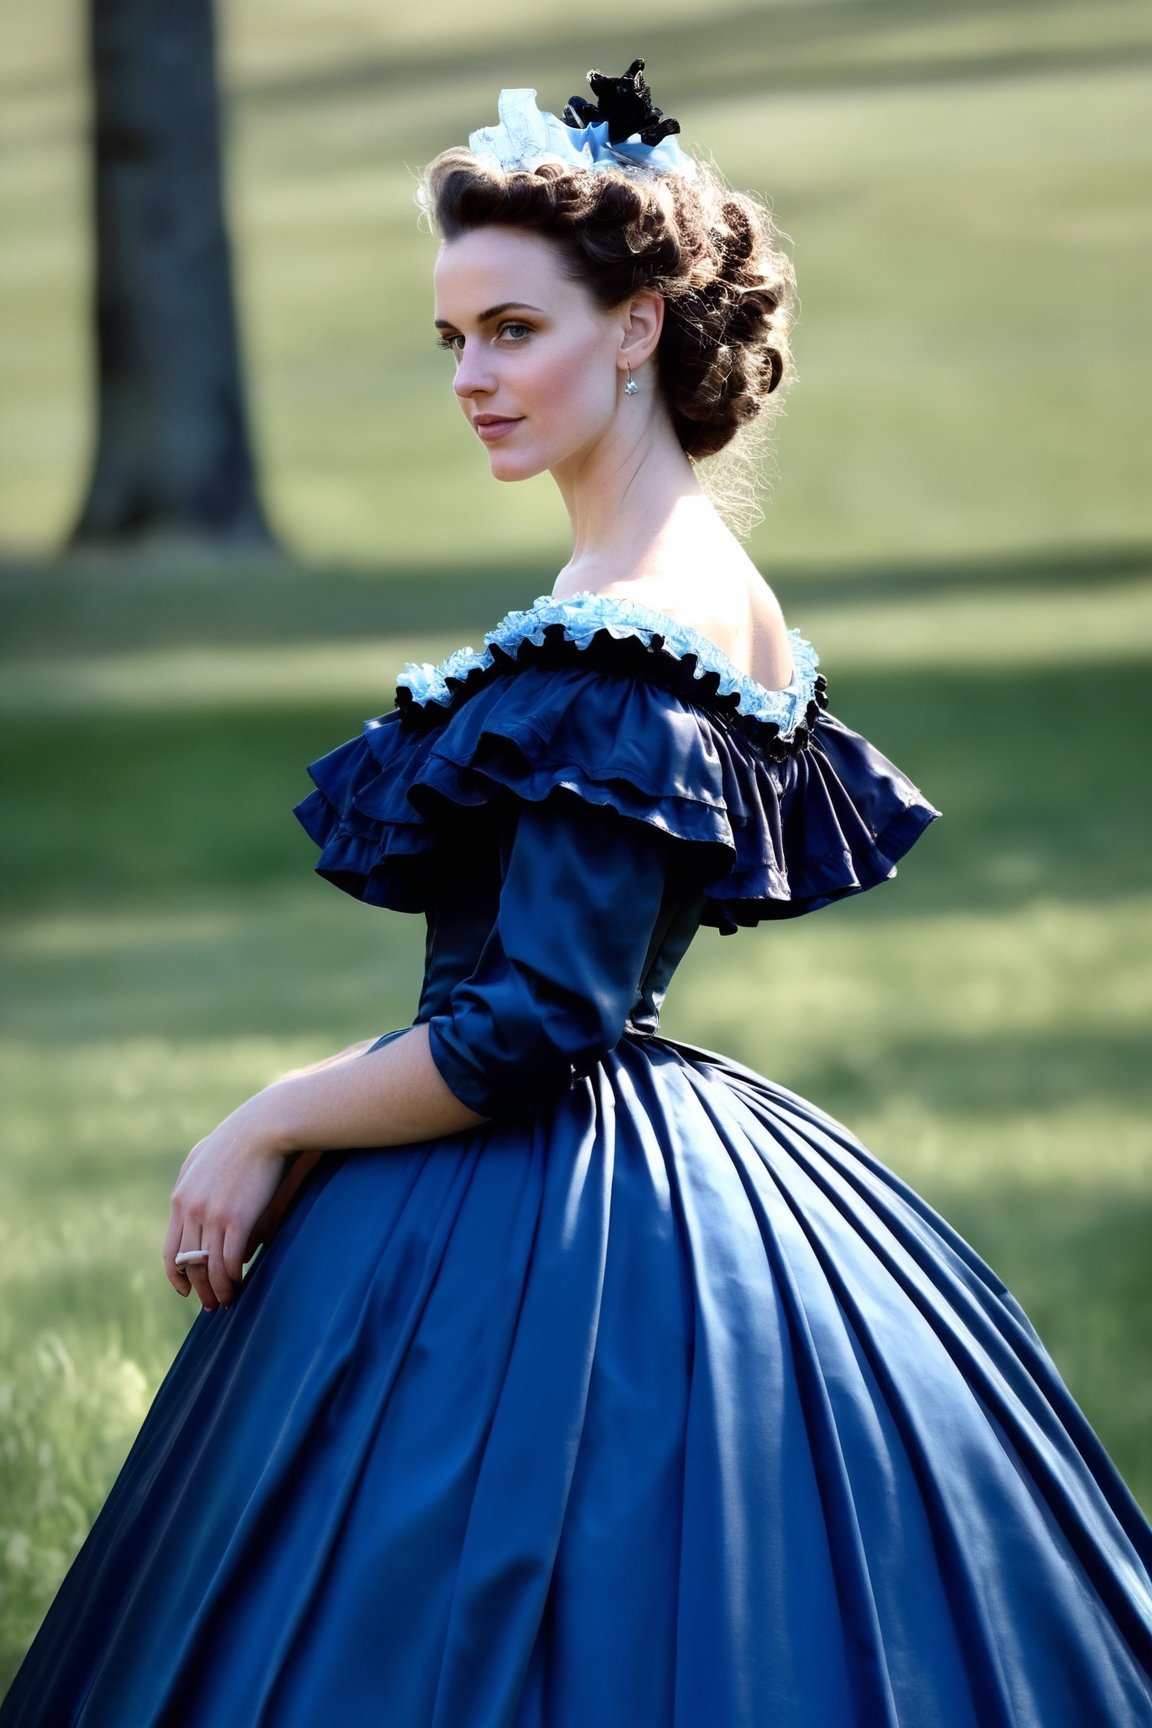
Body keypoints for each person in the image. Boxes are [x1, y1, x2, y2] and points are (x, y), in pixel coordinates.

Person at [3, 60, 1151, 1728]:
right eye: (452, 338)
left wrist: (271, 1118)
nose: (471, 375)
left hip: (545, 1191)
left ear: (636, 326)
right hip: (612, 1157)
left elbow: (537, 1017)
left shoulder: (636, 615)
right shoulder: (667, 584)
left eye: (514, 332)